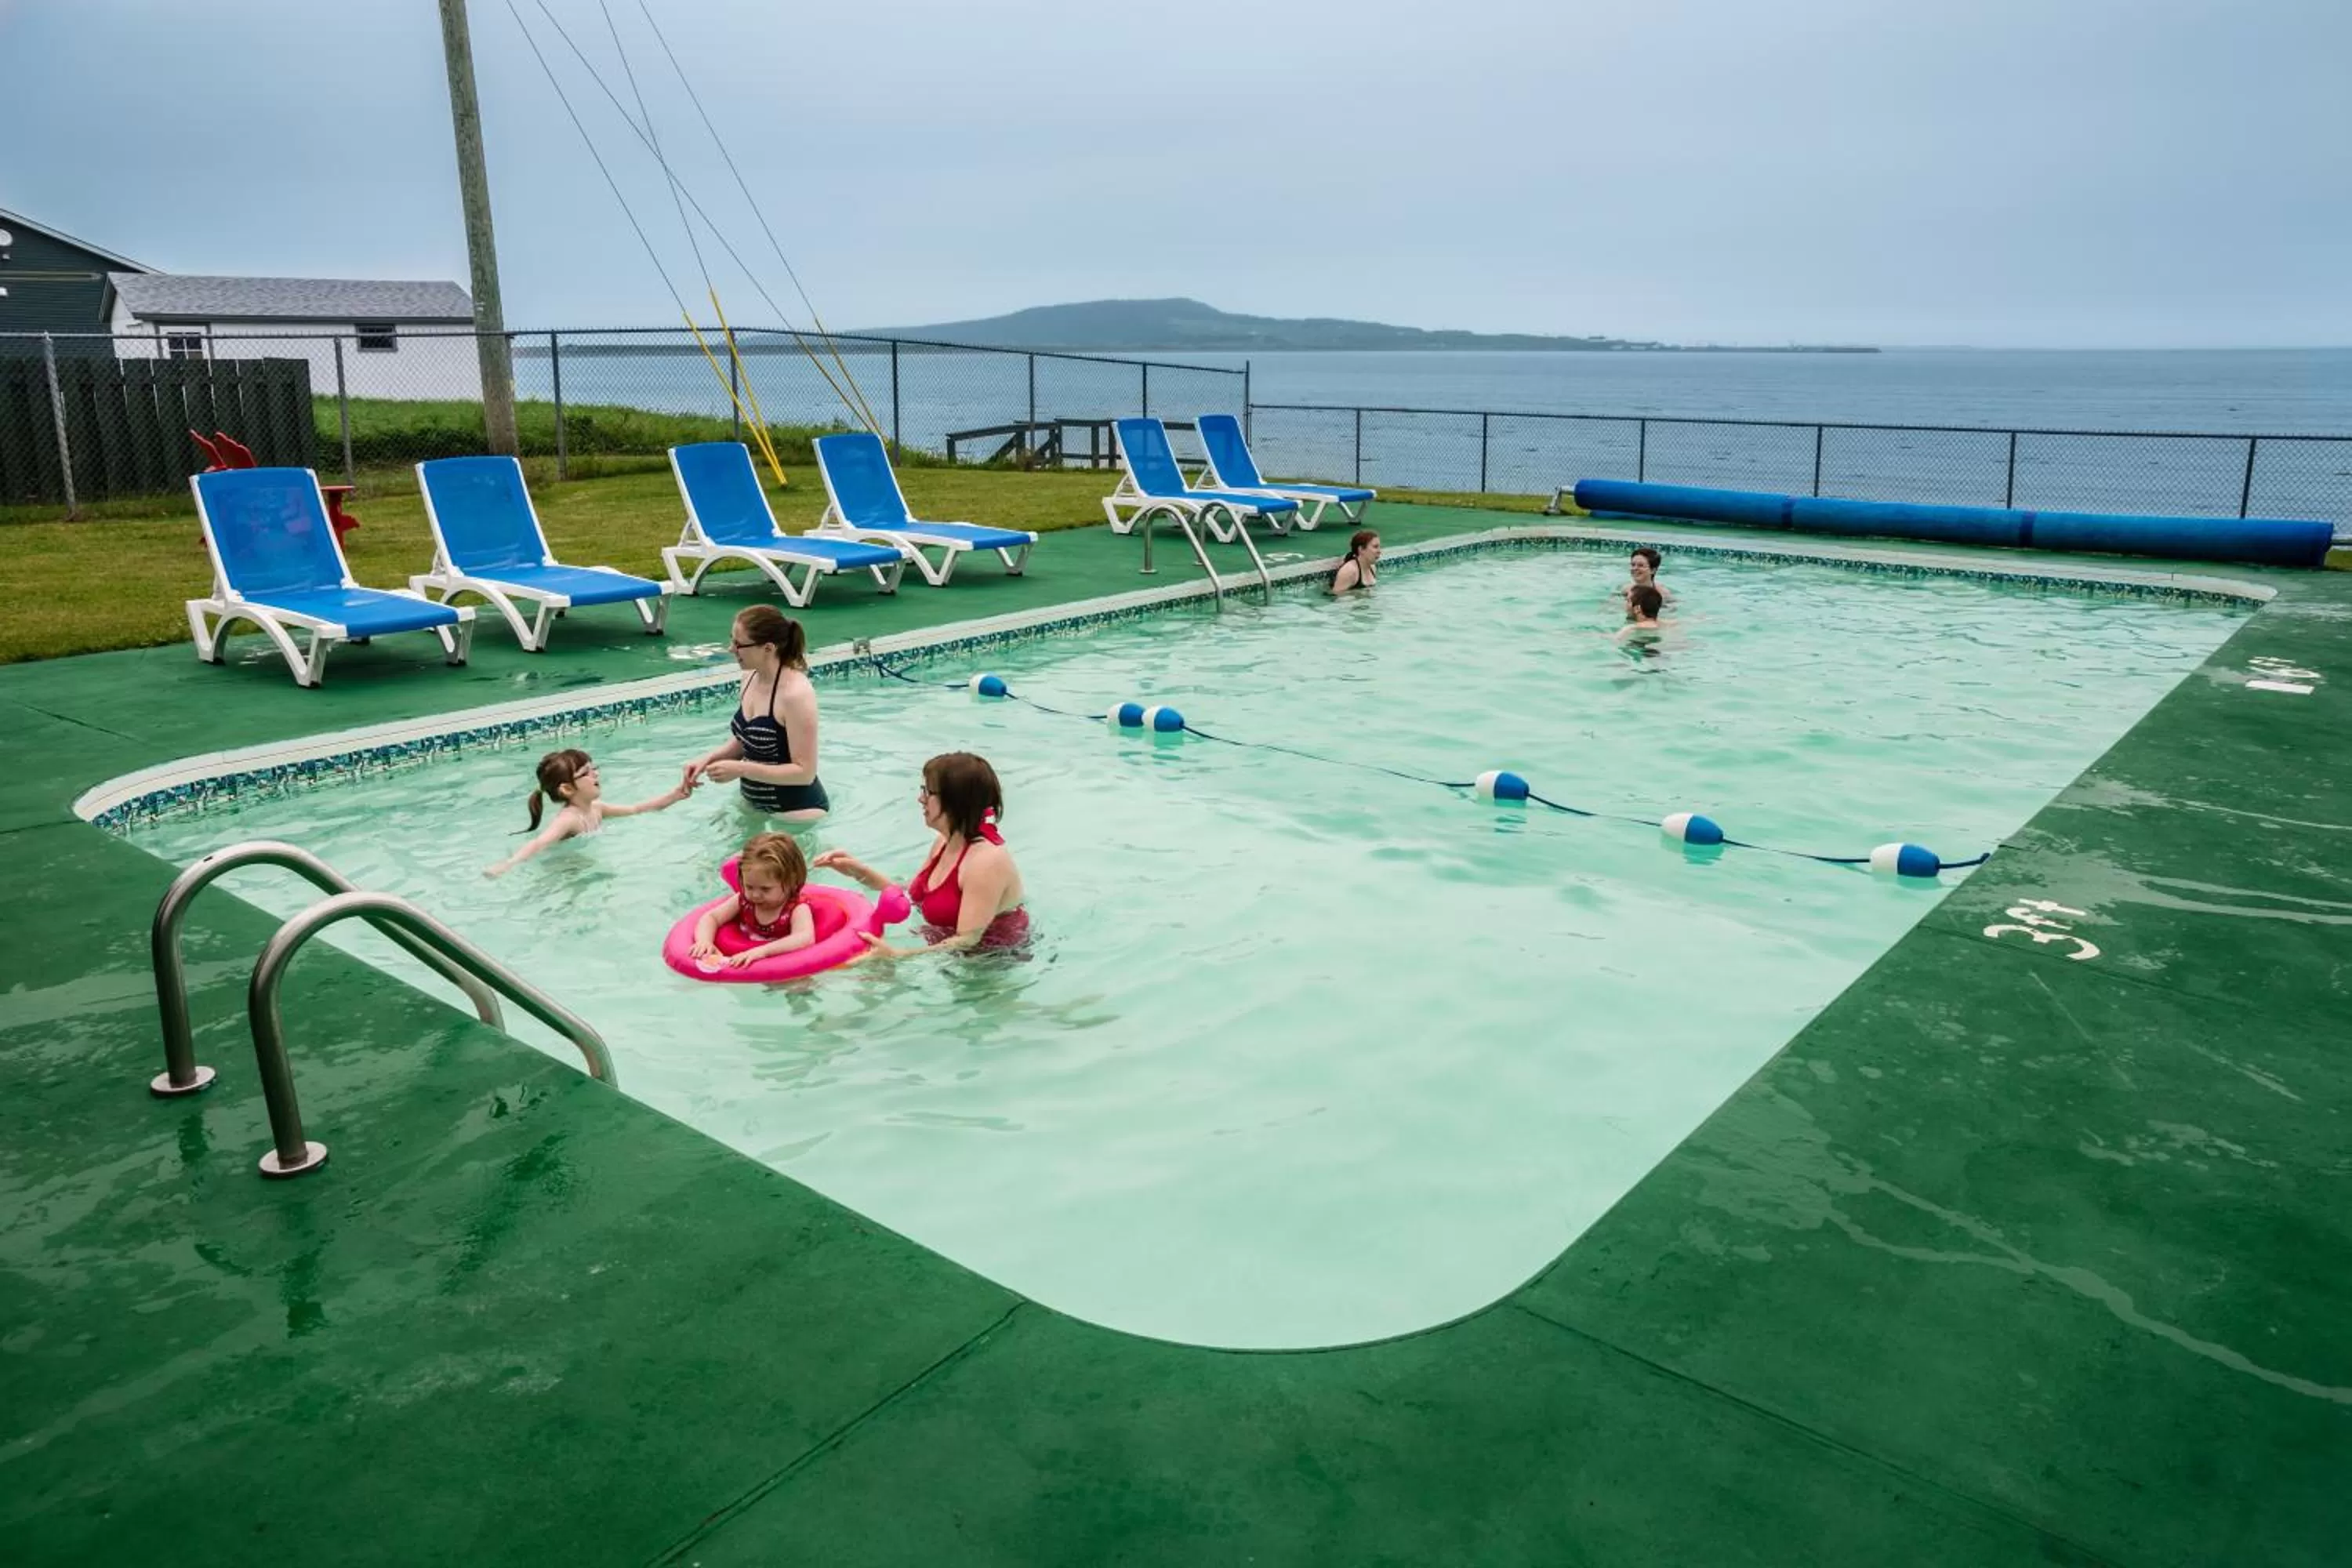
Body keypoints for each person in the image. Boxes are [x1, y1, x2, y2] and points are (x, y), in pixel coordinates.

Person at [814, 752, 1029, 956]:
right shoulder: (944, 843)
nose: (920, 799)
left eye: (928, 792)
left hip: (993, 963)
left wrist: (898, 955)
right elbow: (913, 895)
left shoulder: (986, 862)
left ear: (955, 801)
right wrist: (856, 871)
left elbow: (967, 939)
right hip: (950, 956)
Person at [684, 605, 829, 821]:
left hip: (795, 813)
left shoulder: (795, 695)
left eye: (739, 644)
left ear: (768, 648)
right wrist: (708, 759)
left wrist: (741, 770)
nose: (731, 649)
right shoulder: (749, 678)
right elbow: (748, 740)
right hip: (754, 805)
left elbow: (804, 773)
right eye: (732, 640)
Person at [486, 747, 690, 877]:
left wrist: (675, 794)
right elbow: (541, 842)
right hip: (563, 869)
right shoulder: (569, 819)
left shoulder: (597, 808)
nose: (596, 774)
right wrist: (508, 864)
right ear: (567, 789)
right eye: (586, 773)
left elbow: (637, 809)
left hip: (580, 863)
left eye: (594, 768)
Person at [689, 831, 817, 969]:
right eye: (749, 887)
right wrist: (705, 941)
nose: (755, 895)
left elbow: (805, 938)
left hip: (785, 965)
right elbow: (712, 917)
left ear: (791, 881)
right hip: (743, 959)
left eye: (765, 889)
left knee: (798, 985)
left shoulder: (796, 908)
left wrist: (761, 952)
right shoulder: (744, 900)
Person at [1621, 546, 1675, 615]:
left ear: (1653, 570)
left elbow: (1671, 612)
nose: (1635, 568)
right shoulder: (1626, 590)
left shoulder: (1662, 594)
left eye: (1641, 565)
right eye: (1633, 565)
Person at [1330, 529, 1381, 595]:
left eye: (1379, 547)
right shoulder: (1349, 571)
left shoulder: (1372, 568)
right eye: (1375, 547)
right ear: (1361, 549)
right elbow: (1338, 598)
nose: (1379, 551)